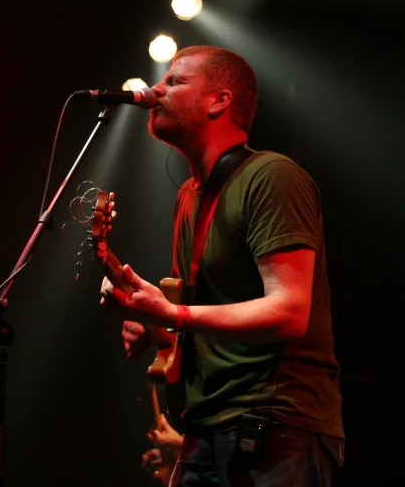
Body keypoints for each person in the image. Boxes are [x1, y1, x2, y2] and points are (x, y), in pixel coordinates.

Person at [100, 45, 344, 486]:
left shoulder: (272, 176)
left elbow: (289, 311)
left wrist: (172, 314)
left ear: (220, 100)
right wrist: (153, 321)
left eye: (175, 81)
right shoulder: (188, 196)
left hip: (275, 425)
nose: (156, 90)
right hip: (205, 429)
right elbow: (204, 321)